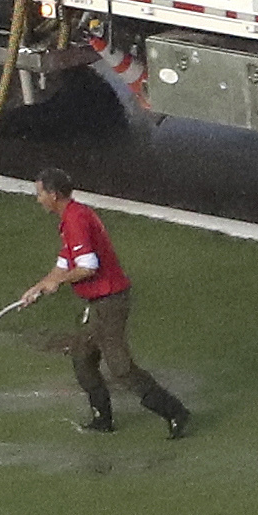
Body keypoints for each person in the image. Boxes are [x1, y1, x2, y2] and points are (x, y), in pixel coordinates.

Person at [27, 168, 191, 437]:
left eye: (40, 194)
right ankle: (103, 418)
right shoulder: (71, 217)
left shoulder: (76, 220)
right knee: (82, 355)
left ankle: (174, 412)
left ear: (53, 195)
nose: (38, 199)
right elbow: (63, 262)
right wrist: (37, 287)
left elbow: (88, 267)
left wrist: (59, 282)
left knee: (120, 368)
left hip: (110, 303)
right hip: (98, 303)